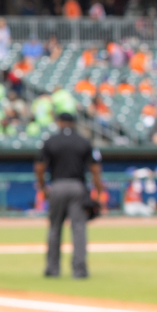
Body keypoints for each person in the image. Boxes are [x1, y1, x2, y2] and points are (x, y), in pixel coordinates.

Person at [35, 112, 103, 279]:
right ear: (74, 123)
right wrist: (98, 190)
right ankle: (79, 270)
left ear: (59, 122)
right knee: (79, 229)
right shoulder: (83, 140)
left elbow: (39, 167)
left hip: (57, 185)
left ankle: (52, 269)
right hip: (77, 186)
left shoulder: (51, 140)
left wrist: (43, 188)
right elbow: (95, 169)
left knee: (54, 228)